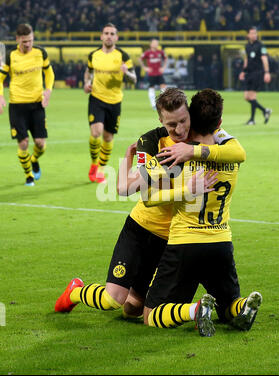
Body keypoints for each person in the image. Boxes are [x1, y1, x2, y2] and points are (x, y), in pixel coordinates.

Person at [54, 88, 247, 320]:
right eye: (172, 124)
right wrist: (128, 160)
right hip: (142, 228)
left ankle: (188, 310)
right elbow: (125, 190)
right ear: (161, 121)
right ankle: (75, 291)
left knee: (133, 309)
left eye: (183, 121)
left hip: (169, 239)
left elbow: (238, 152)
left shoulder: (204, 136)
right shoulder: (153, 142)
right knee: (112, 300)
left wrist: (194, 151)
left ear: (190, 114)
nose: (179, 129)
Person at [141, 89, 262, 336]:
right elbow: (239, 152)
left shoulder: (175, 155)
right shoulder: (230, 153)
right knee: (228, 307)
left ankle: (195, 311)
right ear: (219, 123)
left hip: (185, 243)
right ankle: (244, 306)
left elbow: (149, 198)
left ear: (191, 119)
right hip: (220, 243)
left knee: (151, 314)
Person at [0, 23, 55, 186]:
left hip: (37, 104)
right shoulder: (10, 56)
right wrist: (1, 96)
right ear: (17, 39)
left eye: (30, 40)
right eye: (24, 42)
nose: (28, 44)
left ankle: (34, 159)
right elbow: (1, 78)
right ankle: (28, 175)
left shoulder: (40, 53)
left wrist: (49, 90)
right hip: (17, 105)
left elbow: (49, 72)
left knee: (40, 144)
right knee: (23, 142)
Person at [85, 23, 137, 184]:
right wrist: (86, 83)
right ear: (101, 36)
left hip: (115, 101)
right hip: (97, 98)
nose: (108, 36)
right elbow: (88, 72)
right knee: (96, 132)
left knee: (108, 137)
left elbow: (134, 79)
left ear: (116, 37)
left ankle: (101, 167)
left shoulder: (123, 56)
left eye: (112, 33)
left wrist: (126, 72)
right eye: (106, 33)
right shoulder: (93, 55)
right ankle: (94, 164)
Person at [239, 26, 272, 125]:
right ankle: (265, 110)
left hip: (257, 73)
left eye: (255, 33)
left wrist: (267, 72)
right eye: (252, 33)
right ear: (248, 35)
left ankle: (252, 119)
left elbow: (264, 59)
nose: (254, 35)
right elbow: (246, 59)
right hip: (249, 73)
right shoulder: (247, 46)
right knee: (247, 97)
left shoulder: (261, 46)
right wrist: (243, 71)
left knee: (252, 96)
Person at [139, 38, 167, 110]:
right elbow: (140, 59)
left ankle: (161, 104)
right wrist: (145, 68)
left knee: (164, 87)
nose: (156, 44)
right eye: (154, 43)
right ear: (151, 44)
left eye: (157, 43)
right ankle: (153, 105)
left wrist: (163, 67)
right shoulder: (147, 53)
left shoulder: (160, 52)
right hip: (151, 74)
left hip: (159, 73)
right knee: (151, 88)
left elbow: (166, 59)